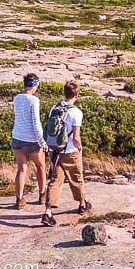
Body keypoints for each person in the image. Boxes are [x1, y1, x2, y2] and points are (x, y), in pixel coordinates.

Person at [42, 80, 92, 227]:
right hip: (70, 151)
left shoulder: (54, 108)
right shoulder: (76, 112)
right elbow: (76, 137)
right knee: (77, 178)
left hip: (55, 150)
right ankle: (82, 204)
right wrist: (80, 148)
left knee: (55, 180)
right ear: (77, 94)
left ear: (64, 93)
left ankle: (48, 212)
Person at [11, 73, 48, 210]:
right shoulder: (34, 100)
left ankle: (19, 199)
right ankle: (42, 194)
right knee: (40, 166)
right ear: (35, 85)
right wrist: (42, 142)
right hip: (31, 140)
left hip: (17, 137)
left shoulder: (17, 98)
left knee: (21, 169)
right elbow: (36, 123)